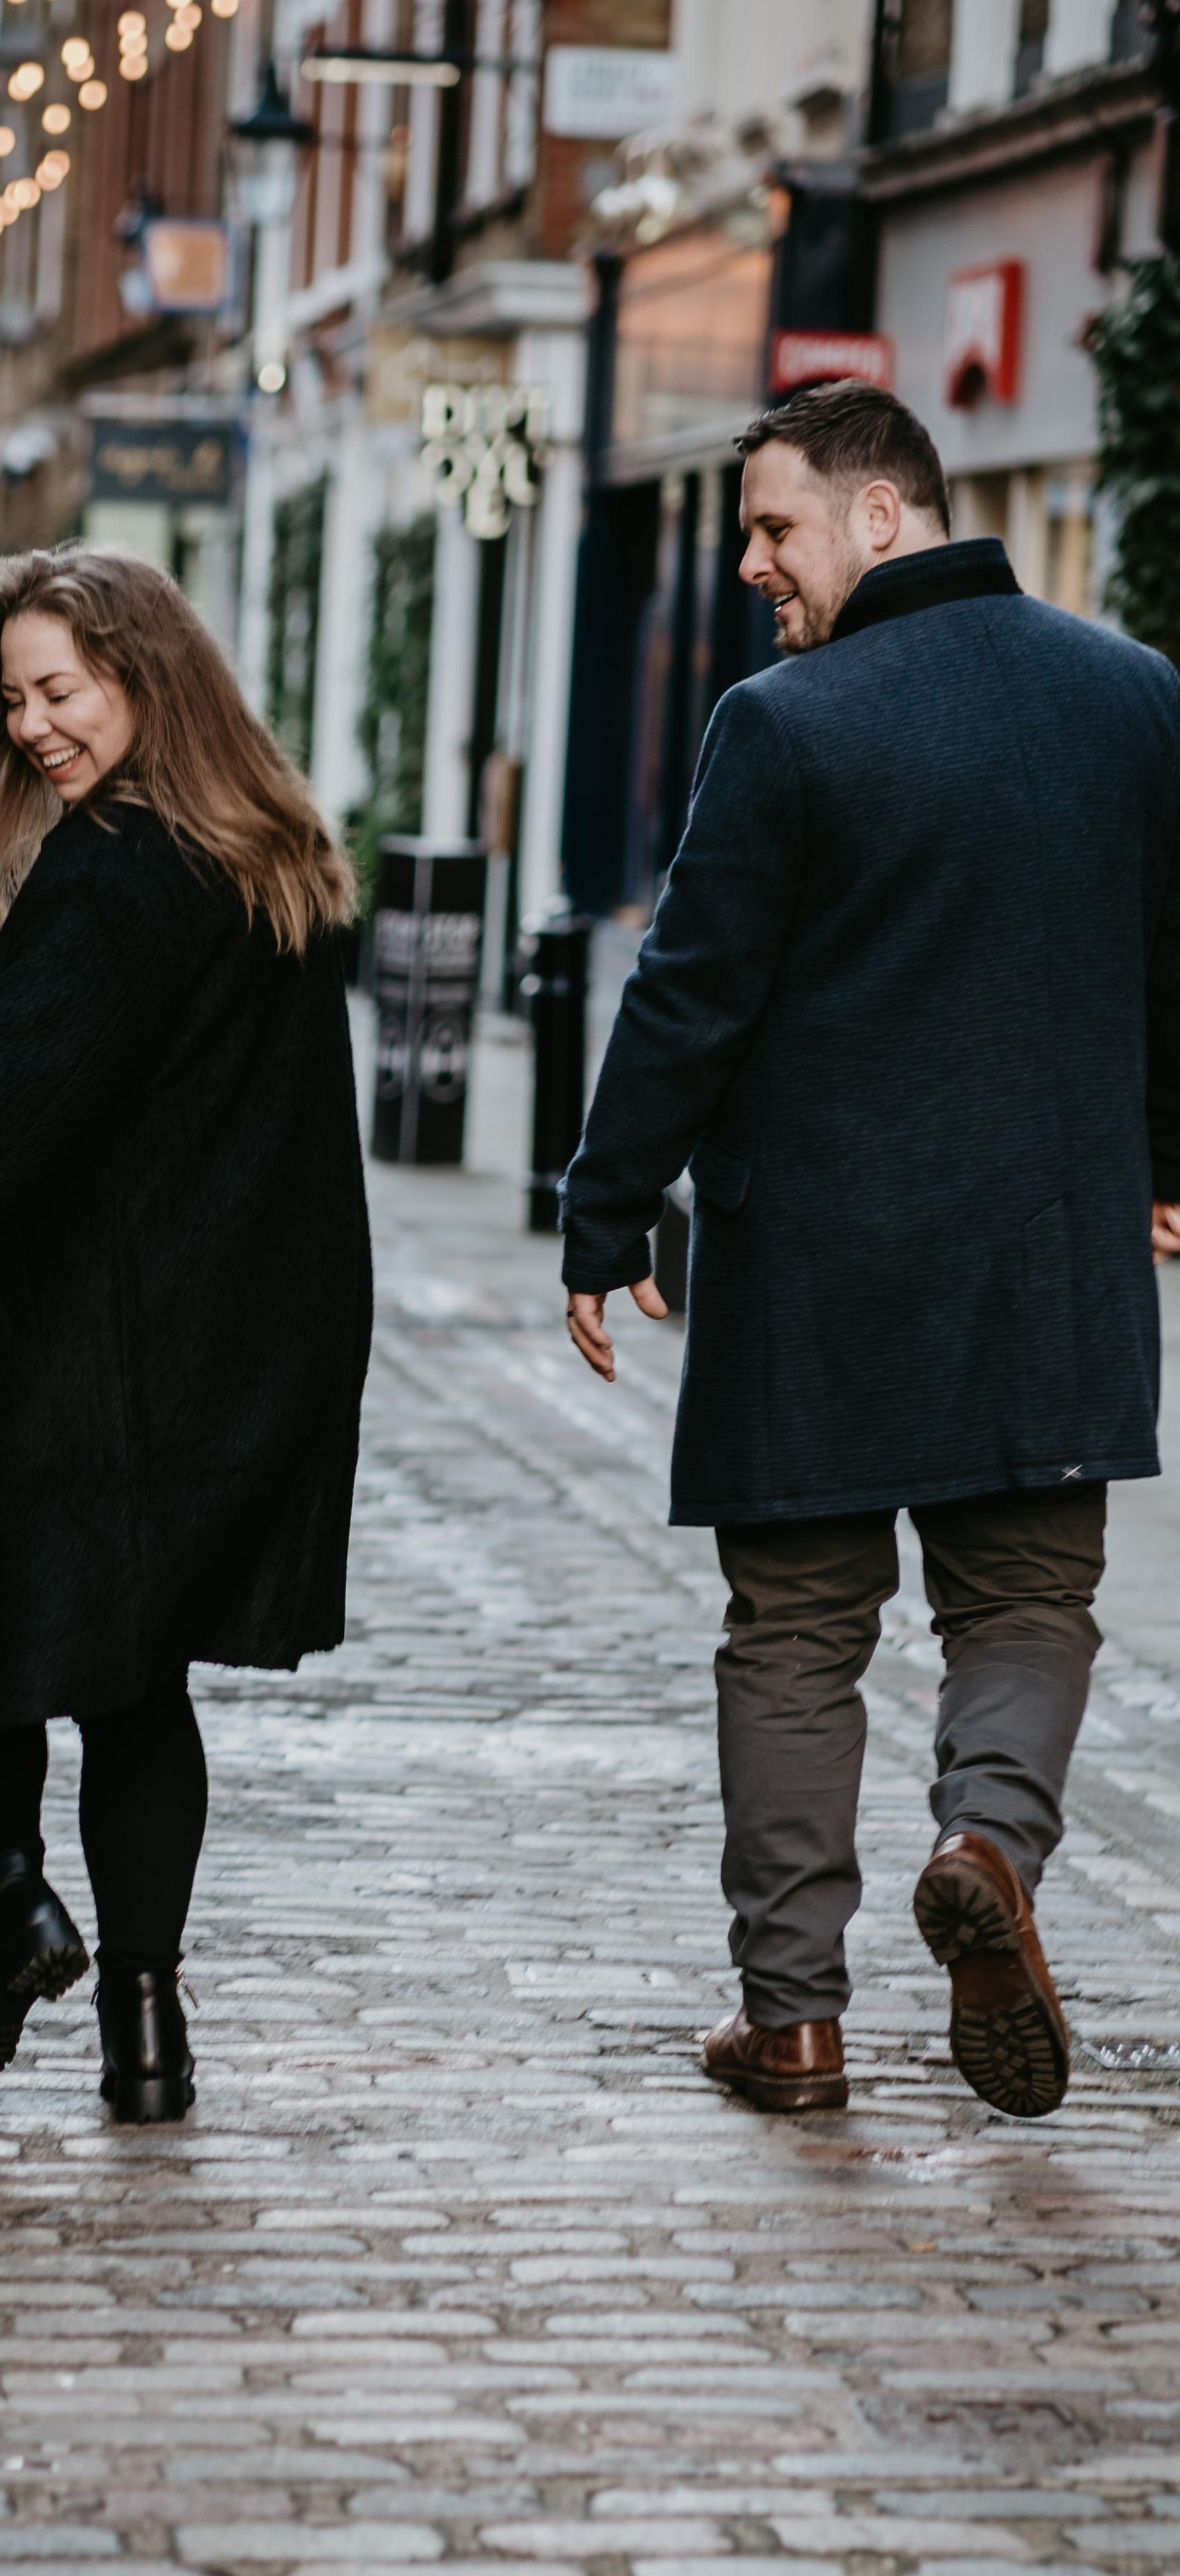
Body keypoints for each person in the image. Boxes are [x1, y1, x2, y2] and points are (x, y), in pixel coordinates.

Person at [560, 378, 1180, 2123]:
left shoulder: (784, 723)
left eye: (772, 528)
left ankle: (795, 2023)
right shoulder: (1135, 699)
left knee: (791, 1637)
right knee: (1025, 1603)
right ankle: (985, 1839)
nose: (753, 564)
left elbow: (688, 994)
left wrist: (601, 1212)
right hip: (1048, 1260)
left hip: (815, 1273)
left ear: (882, 514)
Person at [0, 545, 372, 2123]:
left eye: (60, 691)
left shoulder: (117, 869)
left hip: (90, 1342)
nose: (31, 725)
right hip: (241, 1341)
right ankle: (144, 2030)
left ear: (143, 679)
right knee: (133, 1679)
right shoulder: (271, 853)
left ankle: (6, 1903)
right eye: (12, 696)